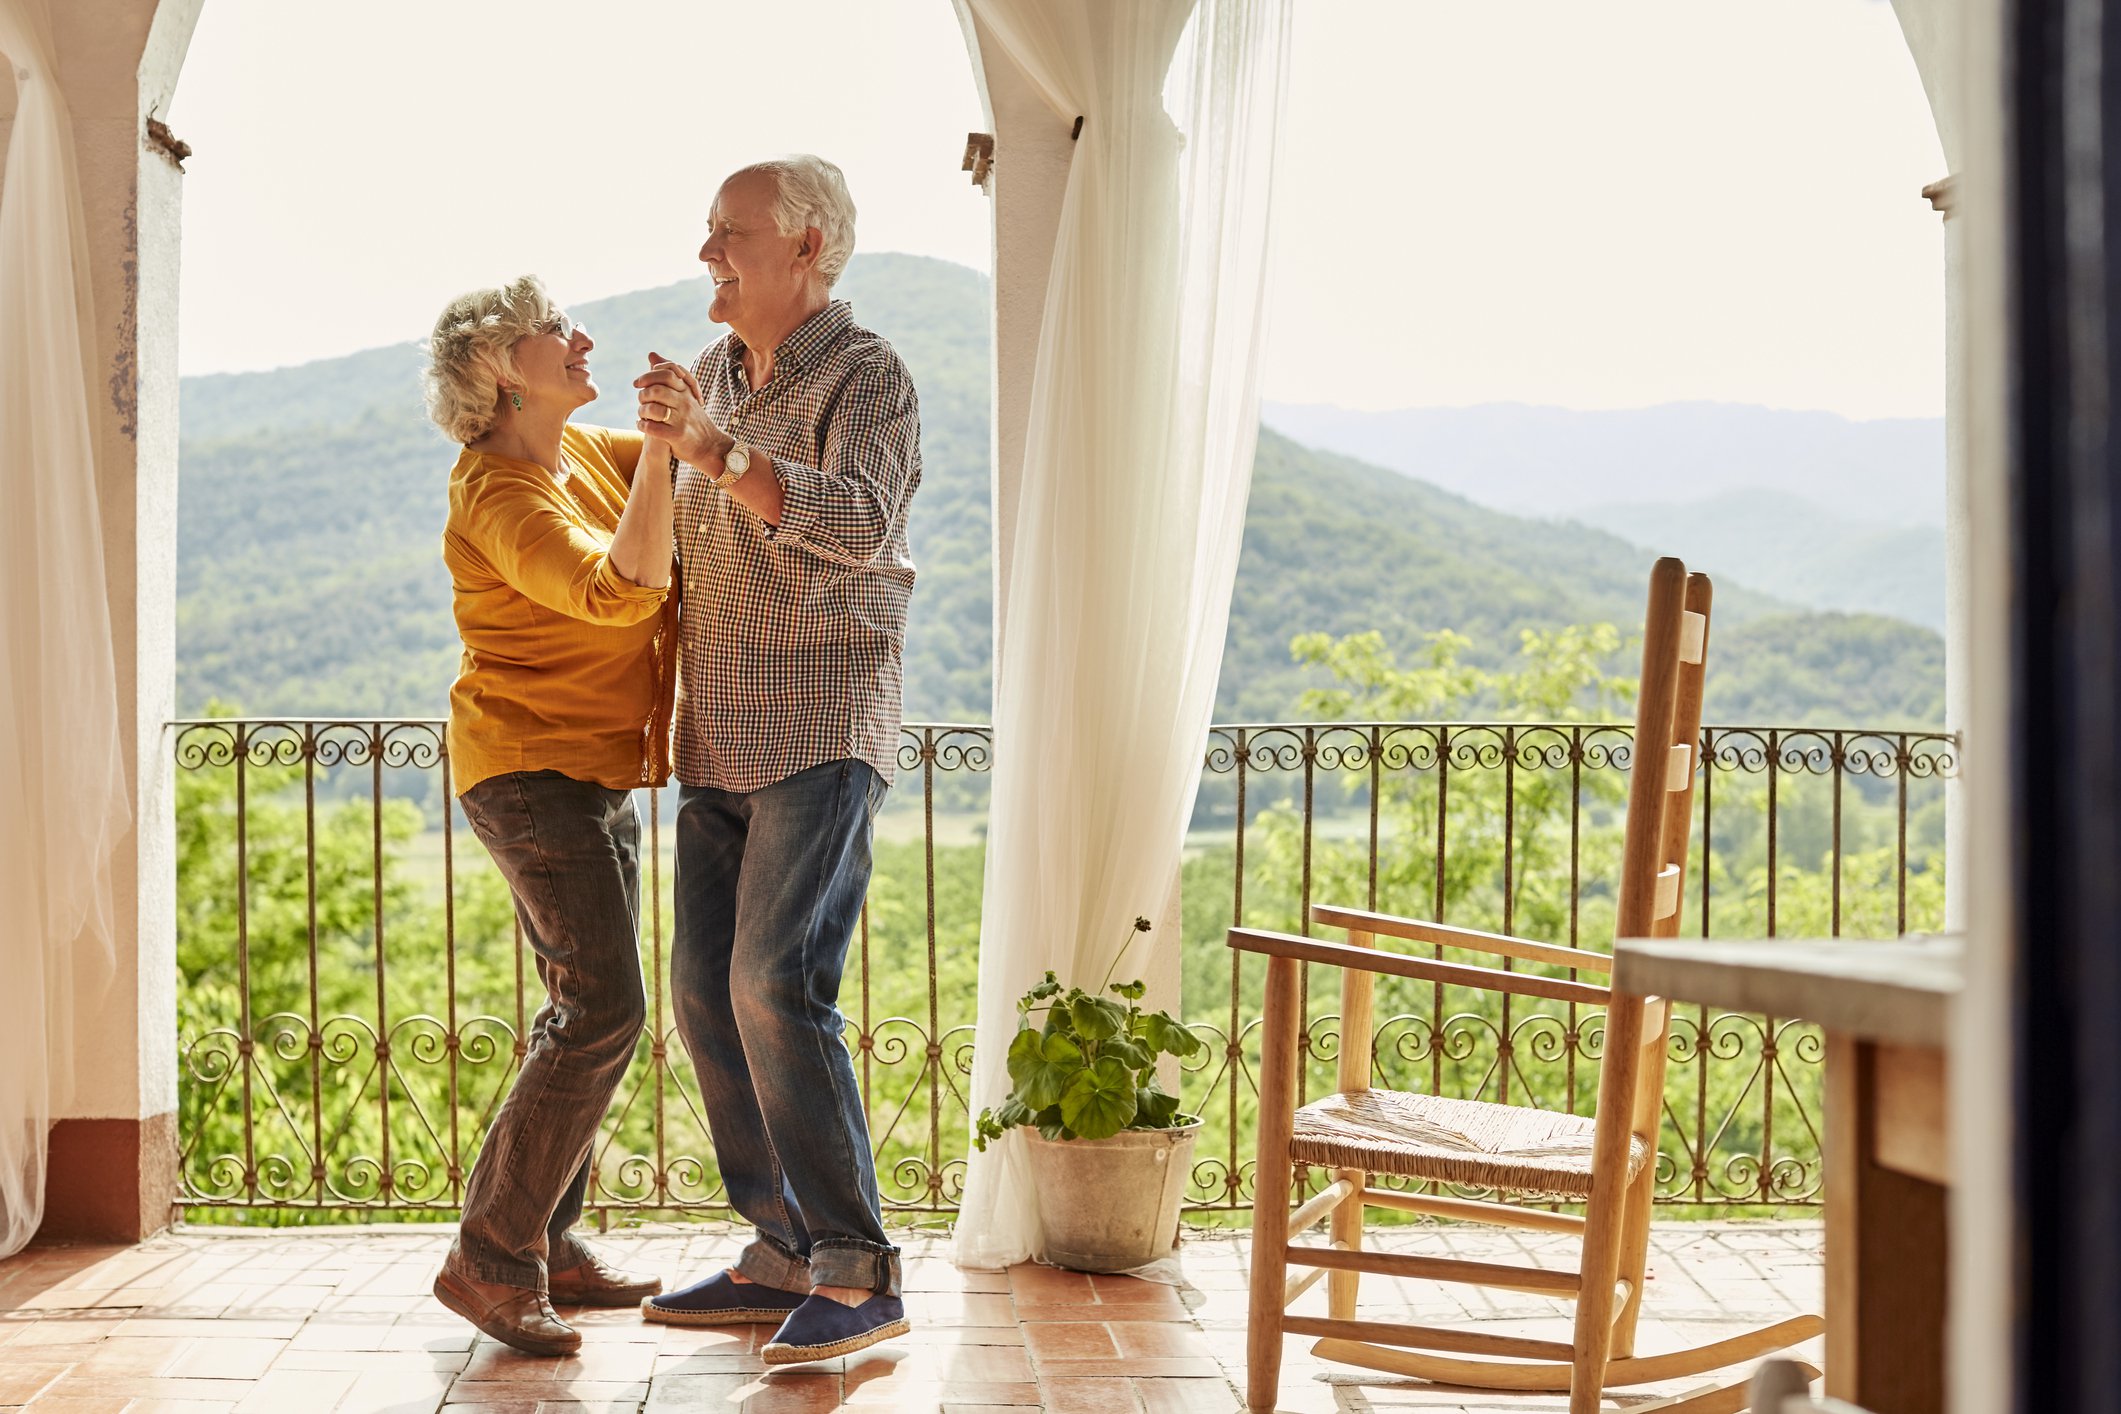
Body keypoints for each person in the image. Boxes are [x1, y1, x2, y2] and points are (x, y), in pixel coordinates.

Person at [632, 155, 923, 1365]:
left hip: (819, 720)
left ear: (805, 245)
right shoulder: (710, 374)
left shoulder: (870, 376)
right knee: (705, 991)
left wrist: (717, 452)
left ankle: (859, 1275)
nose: (708, 252)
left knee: (773, 984)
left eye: (729, 233)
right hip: (720, 728)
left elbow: (863, 523)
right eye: (707, 233)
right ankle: (780, 1250)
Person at [422, 275, 681, 1356]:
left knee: (587, 1009)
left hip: (591, 770)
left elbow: (694, 483)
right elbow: (620, 586)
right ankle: (490, 1257)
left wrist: (686, 430)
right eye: (549, 332)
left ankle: (548, 1242)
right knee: (602, 1008)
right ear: (499, 376)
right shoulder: (497, 493)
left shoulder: (576, 453)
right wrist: (669, 448)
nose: (580, 338)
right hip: (527, 774)